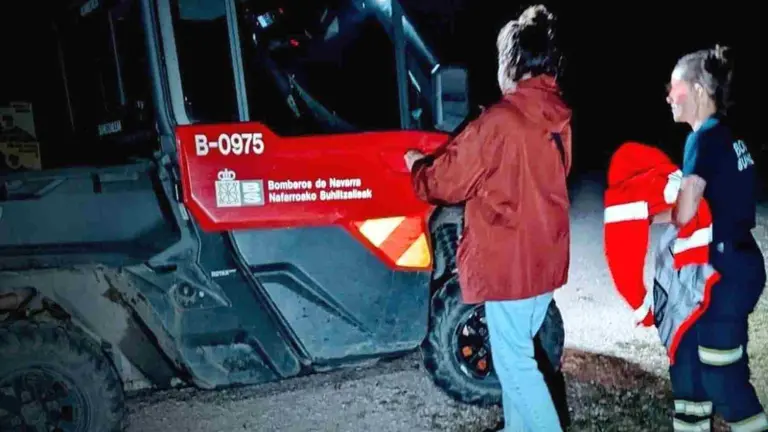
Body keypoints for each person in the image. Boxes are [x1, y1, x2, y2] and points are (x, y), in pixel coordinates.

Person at [404, 5, 572, 431]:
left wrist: (416, 168)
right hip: (543, 263)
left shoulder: (500, 121)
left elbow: (447, 182)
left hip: (510, 266)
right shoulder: (556, 119)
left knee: (514, 364)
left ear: (512, 64)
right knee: (517, 356)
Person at [656, 45, 768, 431]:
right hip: (733, 263)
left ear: (699, 91)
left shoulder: (702, 139)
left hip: (724, 272)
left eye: (675, 88)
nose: (669, 96)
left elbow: (686, 214)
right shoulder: (728, 136)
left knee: (722, 376)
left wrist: (654, 212)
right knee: (688, 362)